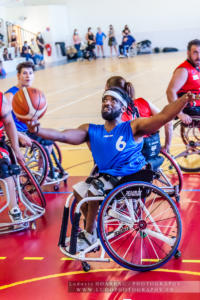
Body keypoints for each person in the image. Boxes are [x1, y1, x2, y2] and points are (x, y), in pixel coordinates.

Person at [27, 87, 195, 252]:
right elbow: (62, 135)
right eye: (104, 100)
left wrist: (183, 100)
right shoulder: (91, 130)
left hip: (132, 176)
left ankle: (89, 234)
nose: (107, 103)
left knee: (93, 191)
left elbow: (164, 116)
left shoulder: (133, 126)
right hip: (108, 179)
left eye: (113, 100)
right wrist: (37, 130)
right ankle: (91, 231)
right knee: (80, 191)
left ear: (123, 108)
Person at [106, 76, 172, 152]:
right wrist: (167, 146)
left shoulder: (116, 112)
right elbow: (168, 122)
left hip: (133, 153)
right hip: (152, 148)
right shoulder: (143, 102)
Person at [166, 39, 200, 147]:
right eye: (195, 52)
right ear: (188, 53)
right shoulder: (183, 70)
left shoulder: (197, 67)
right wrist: (179, 113)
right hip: (188, 108)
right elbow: (170, 91)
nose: (198, 56)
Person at [0, 91, 24, 222]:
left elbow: (9, 123)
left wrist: (17, 150)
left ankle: (14, 210)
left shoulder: (1, 99)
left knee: (4, 168)